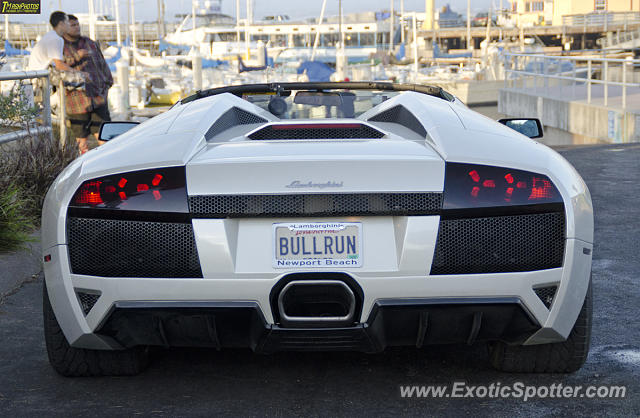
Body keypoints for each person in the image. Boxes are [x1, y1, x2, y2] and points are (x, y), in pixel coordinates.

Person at [63, 14, 114, 154]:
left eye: (77, 24)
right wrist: (77, 56)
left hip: (98, 96)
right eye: (73, 25)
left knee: (105, 136)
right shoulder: (61, 46)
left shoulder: (89, 42)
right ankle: (86, 167)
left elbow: (102, 63)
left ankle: (107, 164)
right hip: (76, 101)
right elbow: (58, 66)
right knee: (82, 141)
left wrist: (108, 82)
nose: (77, 27)